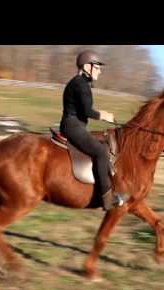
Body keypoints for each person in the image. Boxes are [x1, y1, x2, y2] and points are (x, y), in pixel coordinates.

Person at [60, 50, 128, 211]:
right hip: (73, 126)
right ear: (87, 67)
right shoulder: (80, 84)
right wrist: (105, 115)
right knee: (100, 152)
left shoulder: (80, 83)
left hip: (76, 125)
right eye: (97, 67)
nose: (100, 70)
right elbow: (88, 111)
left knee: (103, 147)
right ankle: (106, 199)